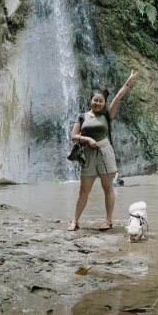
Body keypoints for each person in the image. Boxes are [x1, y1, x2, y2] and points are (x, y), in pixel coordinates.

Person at [67, 71, 137, 231]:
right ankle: (75, 221)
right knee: (83, 190)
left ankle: (108, 220)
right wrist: (87, 139)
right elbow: (73, 136)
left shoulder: (107, 115)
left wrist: (127, 84)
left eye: (101, 101)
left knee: (108, 189)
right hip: (88, 155)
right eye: (95, 100)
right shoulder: (82, 117)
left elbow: (118, 98)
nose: (97, 103)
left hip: (105, 153)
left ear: (104, 103)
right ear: (90, 100)